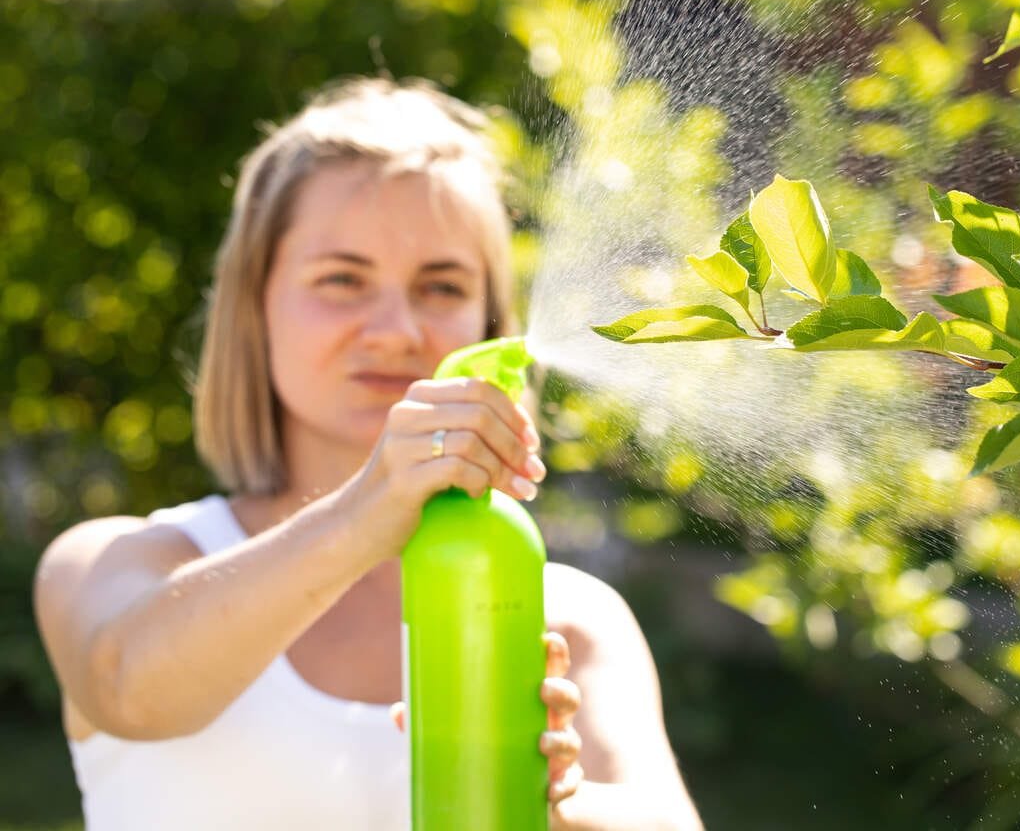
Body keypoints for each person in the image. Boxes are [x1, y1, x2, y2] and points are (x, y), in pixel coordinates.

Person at [32, 77, 704, 831]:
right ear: (257, 306)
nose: (396, 330)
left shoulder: (566, 615)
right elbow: (129, 689)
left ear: (492, 320)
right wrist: (363, 514)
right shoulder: (117, 561)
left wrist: (564, 813)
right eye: (342, 279)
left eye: (442, 286)